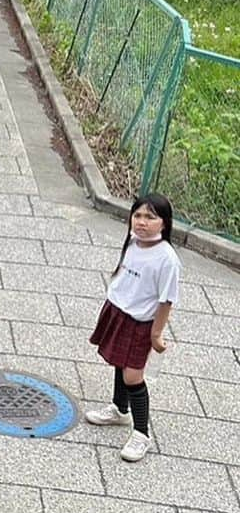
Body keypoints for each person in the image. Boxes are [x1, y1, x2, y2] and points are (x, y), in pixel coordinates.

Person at [84, 193, 181, 463]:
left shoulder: (167, 259)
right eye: (137, 215)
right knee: (118, 361)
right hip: (119, 310)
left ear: (165, 223)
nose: (142, 222)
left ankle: (141, 434)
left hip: (141, 322)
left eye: (150, 217)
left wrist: (156, 333)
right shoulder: (133, 242)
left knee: (133, 376)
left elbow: (167, 300)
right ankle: (119, 408)